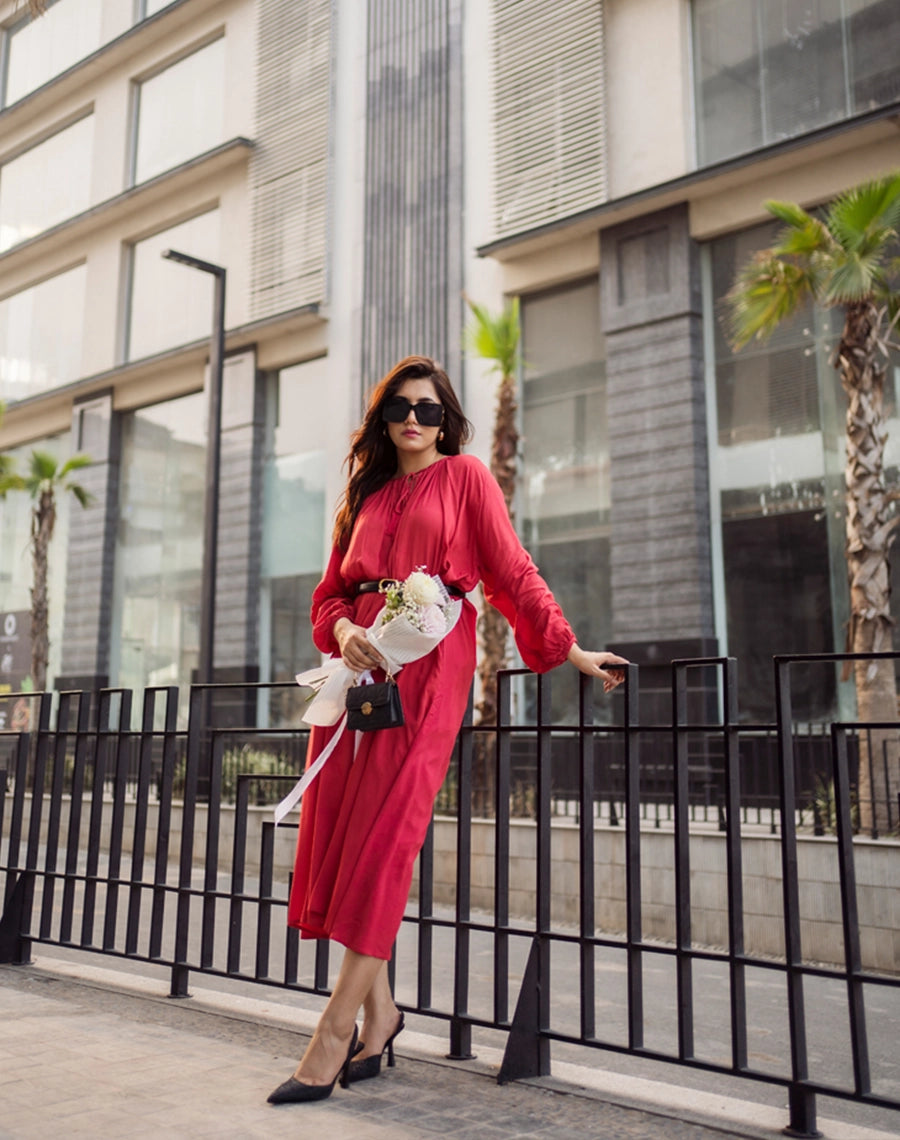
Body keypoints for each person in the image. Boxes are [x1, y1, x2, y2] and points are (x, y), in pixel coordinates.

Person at [267, 355, 627, 1105]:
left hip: (431, 669)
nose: (413, 420)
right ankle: (382, 1016)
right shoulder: (361, 493)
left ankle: (332, 1035)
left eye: (429, 410)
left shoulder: (466, 479)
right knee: (346, 834)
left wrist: (571, 648)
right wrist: (341, 633)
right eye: (400, 406)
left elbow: (510, 570)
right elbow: (328, 596)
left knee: (387, 839)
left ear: (447, 419)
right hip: (359, 672)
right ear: (383, 415)